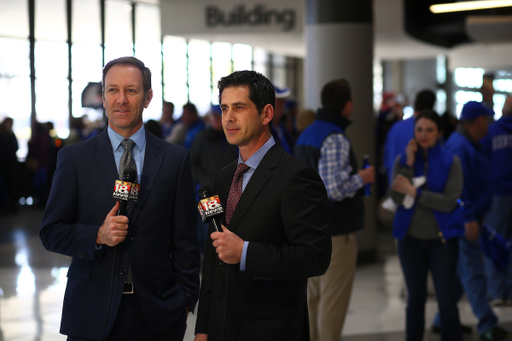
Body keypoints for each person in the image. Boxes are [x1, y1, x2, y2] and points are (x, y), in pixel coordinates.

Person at [39, 56, 200, 341]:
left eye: (131, 90)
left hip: (158, 313)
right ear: (102, 97)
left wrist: (185, 301)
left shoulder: (176, 160)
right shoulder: (74, 159)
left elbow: (186, 240)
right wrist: (97, 235)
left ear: (148, 97)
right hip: (92, 310)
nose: (121, 99)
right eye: (113, 90)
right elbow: (51, 232)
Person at [194, 70, 331, 341]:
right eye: (224, 108)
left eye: (239, 108)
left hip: (270, 329)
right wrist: (203, 328)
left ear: (267, 114)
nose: (228, 118)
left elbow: (315, 257)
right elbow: (214, 256)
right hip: (221, 327)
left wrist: (245, 253)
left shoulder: (296, 177)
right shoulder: (222, 177)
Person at [294, 79, 375, 341]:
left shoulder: (307, 134)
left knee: (313, 302)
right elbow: (334, 189)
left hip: (308, 231)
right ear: (348, 105)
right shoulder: (335, 137)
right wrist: (362, 177)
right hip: (335, 234)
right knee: (332, 306)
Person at [390, 109, 464, 341]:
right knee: (415, 300)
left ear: (439, 133)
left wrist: (416, 193)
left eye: (429, 130)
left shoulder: (451, 161)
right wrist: (410, 164)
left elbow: (449, 203)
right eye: (419, 129)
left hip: (441, 242)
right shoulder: (403, 160)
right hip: (410, 241)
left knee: (446, 301)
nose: (423, 135)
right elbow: (397, 199)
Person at [444, 101, 511, 341]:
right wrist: (469, 218)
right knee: (473, 271)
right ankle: (487, 324)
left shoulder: (468, 145)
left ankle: (442, 319)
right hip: (464, 221)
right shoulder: (461, 147)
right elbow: (459, 188)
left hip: (469, 218)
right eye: (488, 119)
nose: (490, 124)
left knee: (460, 273)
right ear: (480, 121)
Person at [190, 104, 239, 253]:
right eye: (215, 117)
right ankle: (208, 260)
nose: (217, 120)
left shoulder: (230, 138)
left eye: (220, 117)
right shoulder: (202, 137)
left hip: (228, 190)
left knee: (227, 226)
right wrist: (201, 183)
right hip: (208, 192)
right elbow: (192, 163)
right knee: (208, 229)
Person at [482, 95, 512, 306]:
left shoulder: (492, 132)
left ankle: (496, 291)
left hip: (498, 194)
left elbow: (482, 162)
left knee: (494, 243)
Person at [383, 89, 436, 187]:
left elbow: (386, 159)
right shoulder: (430, 132)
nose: (422, 134)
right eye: (419, 130)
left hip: (394, 184)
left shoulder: (395, 127)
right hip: (414, 189)